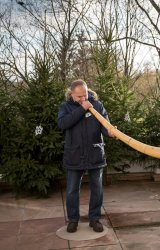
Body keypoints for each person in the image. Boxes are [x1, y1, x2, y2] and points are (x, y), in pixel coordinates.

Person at [58, 79, 114, 233]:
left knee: (97, 188)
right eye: (79, 97)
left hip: (95, 153)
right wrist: (82, 108)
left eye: (85, 95)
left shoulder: (97, 105)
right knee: (71, 190)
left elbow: (105, 126)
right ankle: (73, 220)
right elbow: (62, 124)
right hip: (74, 155)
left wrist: (110, 132)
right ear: (71, 94)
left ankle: (94, 219)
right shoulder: (65, 107)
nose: (84, 99)